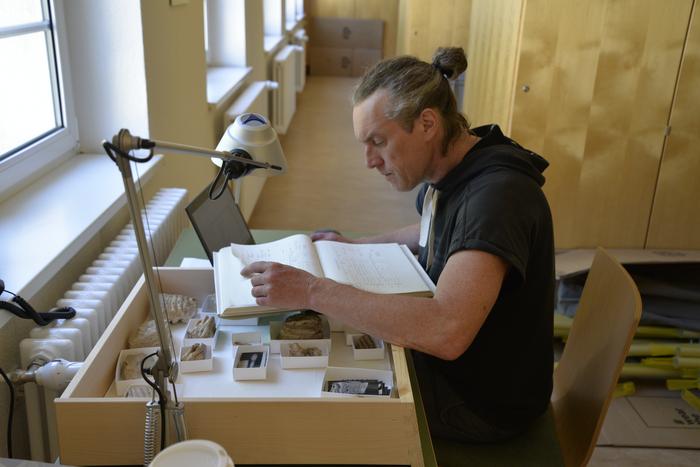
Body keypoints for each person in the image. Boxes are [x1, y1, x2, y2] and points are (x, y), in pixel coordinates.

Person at [241, 47, 555, 443]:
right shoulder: (461, 162)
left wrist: (311, 289)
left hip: (481, 402)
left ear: (427, 123)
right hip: (461, 370)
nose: (369, 160)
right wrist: (353, 245)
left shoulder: (495, 198)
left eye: (378, 141)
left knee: (310, 420)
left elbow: (446, 329)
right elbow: (431, 231)